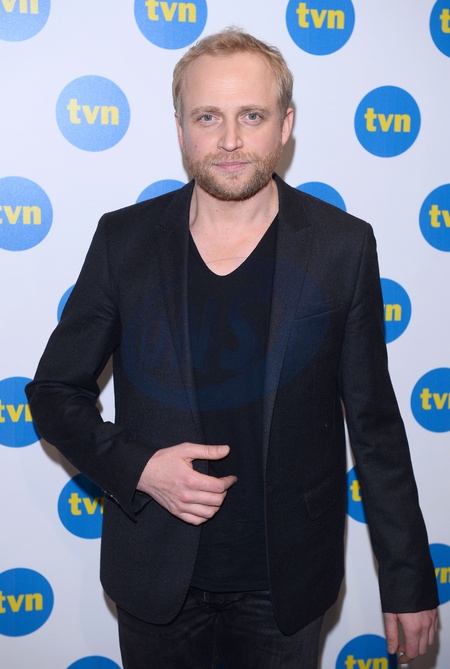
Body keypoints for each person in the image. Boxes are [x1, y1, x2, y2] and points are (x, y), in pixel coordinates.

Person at [26, 27, 438, 669]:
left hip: (286, 587)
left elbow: (376, 428)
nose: (229, 140)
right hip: (155, 577)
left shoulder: (342, 246)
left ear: (285, 125)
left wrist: (408, 582)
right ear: (180, 129)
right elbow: (54, 393)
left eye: (252, 115)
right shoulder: (124, 241)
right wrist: (140, 469)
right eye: (207, 117)